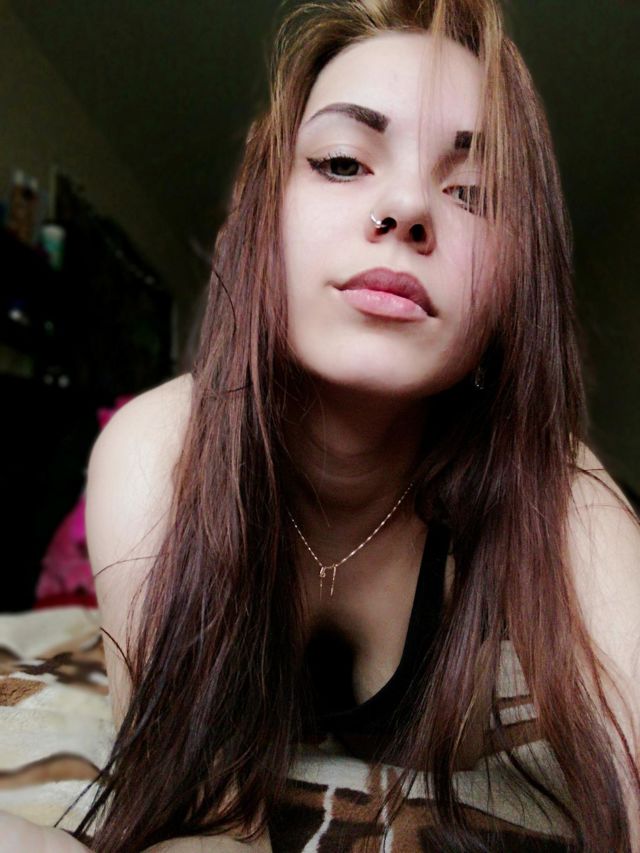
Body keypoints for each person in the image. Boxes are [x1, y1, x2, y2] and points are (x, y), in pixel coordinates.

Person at [2, 0, 638, 850]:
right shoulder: (158, 451)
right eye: (342, 162)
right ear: (259, 213)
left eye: (473, 193)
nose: (407, 206)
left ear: (515, 281)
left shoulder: (556, 488)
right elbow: (205, 823)